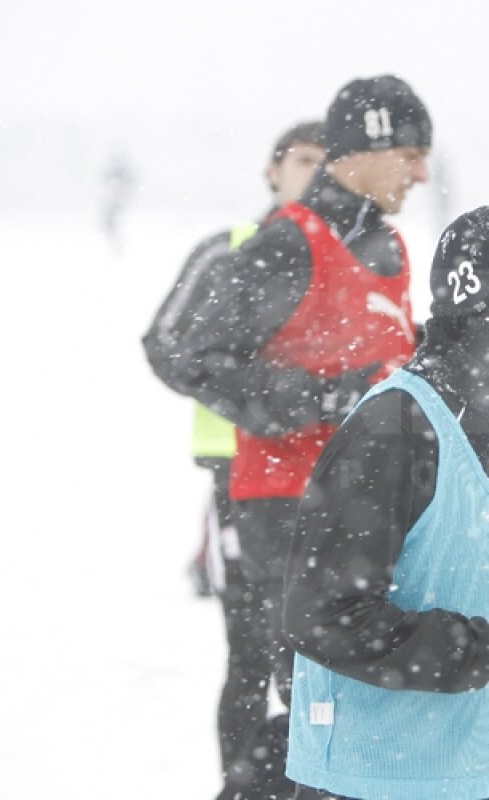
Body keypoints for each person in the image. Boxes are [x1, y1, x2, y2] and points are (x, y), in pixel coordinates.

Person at [151, 75, 431, 800]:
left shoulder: (386, 243)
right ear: (363, 150)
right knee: (314, 697)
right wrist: (327, 398)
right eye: (410, 152)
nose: (423, 171)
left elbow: (383, 359)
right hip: (290, 508)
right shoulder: (289, 242)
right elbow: (196, 357)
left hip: (372, 509)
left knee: (355, 702)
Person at [282, 206, 489, 800]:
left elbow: (452, 570)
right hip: (364, 776)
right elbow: (322, 616)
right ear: (484, 311)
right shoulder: (395, 426)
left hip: (464, 772)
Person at [142, 120, 326, 792]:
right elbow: (166, 344)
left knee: (317, 661)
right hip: (240, 486)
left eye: (326, 162)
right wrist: (257, 404)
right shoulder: (232, 250)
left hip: (333, 490)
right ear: (273, 172)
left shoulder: (356, 253)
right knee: (252, 654)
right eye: (302, 159)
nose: (314, 172)